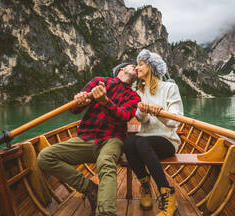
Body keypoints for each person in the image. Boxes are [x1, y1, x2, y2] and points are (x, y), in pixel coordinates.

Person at [37, 63, 140, 216]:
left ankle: (106, 213)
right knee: (45, 157)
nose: (137, 68)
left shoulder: (134, 96)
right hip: (85, 138)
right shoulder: (99, 81)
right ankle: (89, 188)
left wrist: (106, 102)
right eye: (133, 65)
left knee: (105, 162)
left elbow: (124, 116)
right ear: (121, 69)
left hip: (112, 139)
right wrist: (80, 100)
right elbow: (74, 109)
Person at [123, 49, 183, 216]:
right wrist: (142, 111)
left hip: (167, 139)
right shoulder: (139, 93)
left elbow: (176, 120)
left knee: (141, 142)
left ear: (151, 67)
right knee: (128, 143)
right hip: (146, 139)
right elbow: (143, 121)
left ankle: (168, 194)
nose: (137, 68)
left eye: (140, 64)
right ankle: (145, 186)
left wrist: (160, 113)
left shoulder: (170, 87)